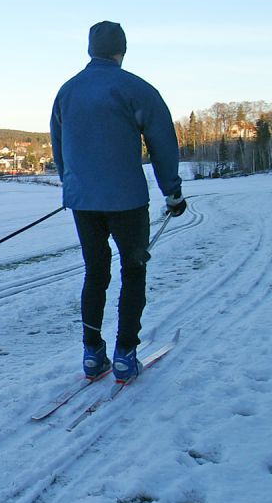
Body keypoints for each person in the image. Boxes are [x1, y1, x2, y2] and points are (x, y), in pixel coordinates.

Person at [50, 21, 186, 383]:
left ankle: (92, 354)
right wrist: (172, 191)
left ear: (90, 49)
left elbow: (60, 148)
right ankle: (125, 355)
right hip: (126, 200)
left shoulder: (67, 91)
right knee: (133, 271)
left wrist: (73, 184)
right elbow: (162, 144)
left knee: (95, 272)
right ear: (121, 50)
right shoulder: (136, 89)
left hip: (84, 202)